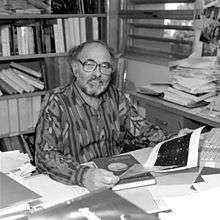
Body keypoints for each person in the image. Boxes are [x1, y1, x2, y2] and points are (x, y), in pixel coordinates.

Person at [35, 40, 186, 191]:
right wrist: (84, 175)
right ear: (75, 69)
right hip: (76, 184)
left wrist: (177, 138)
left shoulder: (116, 97)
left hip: (116, 178)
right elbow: (44, 155)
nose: (98, 73)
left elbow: (143, 131)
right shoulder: (56, 101)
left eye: (105, 66)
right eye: (89, 64)